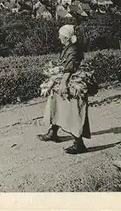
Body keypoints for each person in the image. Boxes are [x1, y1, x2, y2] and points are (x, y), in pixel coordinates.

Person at [37, 24, 91, 154]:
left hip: (72, 83)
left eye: (60, 35)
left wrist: (63, 83)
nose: (58, 37)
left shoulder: (73, 50)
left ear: (66, 37)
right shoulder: (68, 47)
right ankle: (53, 132)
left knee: (73, 112)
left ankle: (79, 144)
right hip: (65, 80)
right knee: (56, 105)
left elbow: (70, 67)